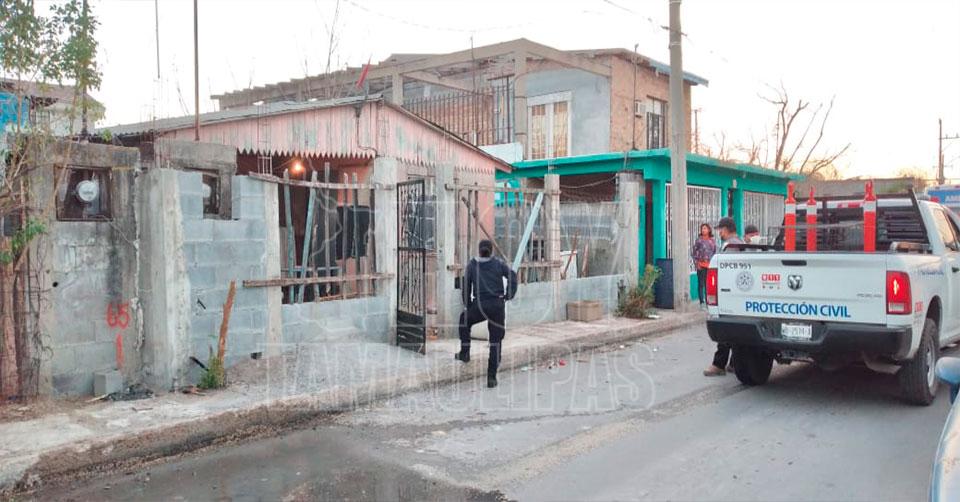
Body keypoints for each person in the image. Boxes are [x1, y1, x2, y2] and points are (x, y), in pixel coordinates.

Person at [456, 240, 518, 388]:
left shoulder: (472, 265)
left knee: (464, 320)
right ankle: (491, 377)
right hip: (497, 305)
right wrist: (508, 295)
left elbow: (466, 287)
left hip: (480, 306)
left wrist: (468, 306)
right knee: (496, 341)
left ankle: (465, 353)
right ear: (491, 251)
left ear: (479, 250)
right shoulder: (498, 263)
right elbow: (513, 276)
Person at [704, 217, 743, 377]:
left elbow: (726, 272)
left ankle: (719, 364)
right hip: (739, 295)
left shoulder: (731, 247)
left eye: (720, 229)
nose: (719, 232)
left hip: (729, 295)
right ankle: (734, 363)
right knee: (738, 332)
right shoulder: (740, 243)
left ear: (726, 229)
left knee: (725, 332)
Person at [691, 223, 718, 308]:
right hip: (701, 265)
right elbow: (694, 253)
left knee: (708, 285)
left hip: (710, 266)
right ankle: (701, 302)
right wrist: (697, 263)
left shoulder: (712, 241)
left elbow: (715, 252)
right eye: (702, 228)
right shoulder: (699, 241)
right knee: (701, 284)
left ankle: (708, 302)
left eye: (705, 228)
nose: (703, 230)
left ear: (709, 230)